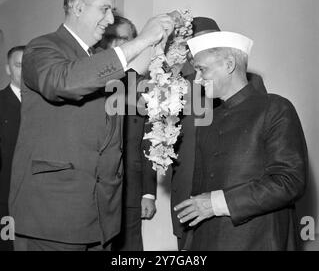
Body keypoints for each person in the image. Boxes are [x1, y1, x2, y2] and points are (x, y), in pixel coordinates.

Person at [9, 0, 174, 251]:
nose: (110, 20)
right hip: (53, 217)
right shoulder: (42, 47)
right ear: (77, 7)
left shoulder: (96, 58)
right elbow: (64, 82)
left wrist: (162, 50)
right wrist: (142, 39)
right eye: (105, 9)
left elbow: (139, 97)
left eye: (113, 11)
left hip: (101, 217)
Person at [174, 31, 308, 250]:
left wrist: (216, 203)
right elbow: (201, 193)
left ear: (229, 65)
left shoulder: (275, 108)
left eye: (202, 69)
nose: (197, 79)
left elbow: (289, 181)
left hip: (260, 239)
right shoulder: (210, 119)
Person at [171, 17, 267, 250]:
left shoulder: (252, 83)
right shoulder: (174, 83)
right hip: (189, 180)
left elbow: (257, 131)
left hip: (234, 185)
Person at [97, 16, 157, 251]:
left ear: (135, 42)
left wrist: (149, 194)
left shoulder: (144, 86)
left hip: (130, 192)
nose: (115, 45)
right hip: (93, 192)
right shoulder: (87, 82)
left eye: (122, 39)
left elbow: (150, 141)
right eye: (109, 38)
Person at [0, 46, 24, 251]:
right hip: (4, 194)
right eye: (18, 65)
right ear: (8, 69)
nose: (24, 71)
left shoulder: (46, 105)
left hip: (37, 195)